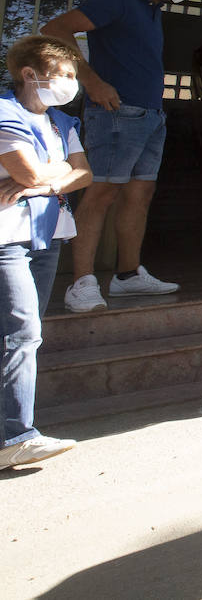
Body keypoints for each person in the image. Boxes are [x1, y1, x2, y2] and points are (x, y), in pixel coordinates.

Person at [42, 0, 185, 313]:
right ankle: (81, 284)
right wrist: (90, 81)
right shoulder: (119, 0)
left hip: (150, 114)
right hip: (116, 113)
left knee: (140, 192)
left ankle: (127, 275)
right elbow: (56, 29)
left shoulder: (153, 10)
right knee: (101, 192)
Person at [0, 36, 93, 468]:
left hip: (47, 236)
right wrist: (54, 174)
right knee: (22, 332)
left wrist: (47, 183)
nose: (74, 83)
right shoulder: (6, 111)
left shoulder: (63, 122)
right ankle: (16, 435)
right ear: (30, 74)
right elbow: (29, 170)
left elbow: (85, 174)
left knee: (21, 334)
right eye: (67, 75)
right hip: (7, 240)